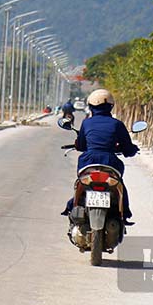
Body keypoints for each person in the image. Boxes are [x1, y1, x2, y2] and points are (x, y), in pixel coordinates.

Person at [62, 88, 138, 225]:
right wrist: (131, 150)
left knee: (80, 183)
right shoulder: (117, 124)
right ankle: (124, 213)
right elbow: (128, 148)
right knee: (119, 185)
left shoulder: (87, 123)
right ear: (110, 106)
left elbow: (81, 144)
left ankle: (72, 206)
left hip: (88, 161)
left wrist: (80, 145)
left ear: (91, 106)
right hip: (110, 162)